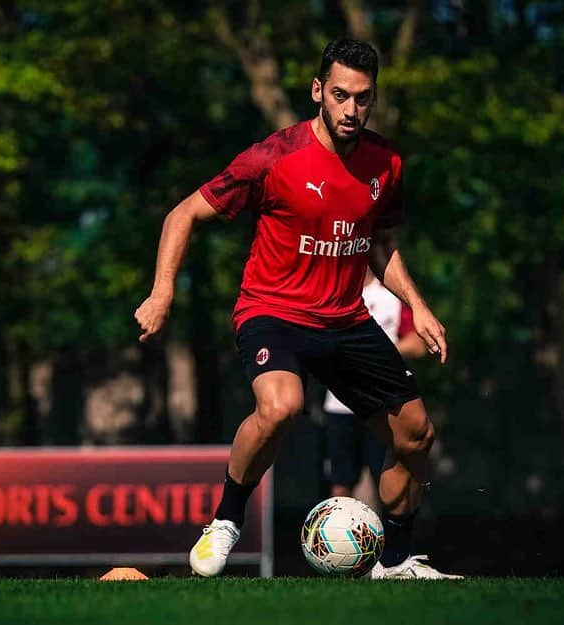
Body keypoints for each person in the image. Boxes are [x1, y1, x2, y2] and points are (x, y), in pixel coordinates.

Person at [134, 38, 460, 579]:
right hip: (274, 311)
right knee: (281, 406)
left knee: (417, 435)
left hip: (347, 320)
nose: (351, 110)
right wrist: (162, 292)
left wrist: (418, 307)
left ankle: (398, 561)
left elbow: (381, 245)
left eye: (362, 98)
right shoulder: (273, 157)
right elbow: (182, 214)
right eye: (339, 95)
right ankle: (226, 519)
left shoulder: (387, 162)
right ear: (317, 92)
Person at [322, 269, 426, 502]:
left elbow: (418, 344)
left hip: (382, 405)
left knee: (389, 482)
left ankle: (392, 537)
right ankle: (335, 538)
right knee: (340, 485)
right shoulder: (332, 292)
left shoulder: (392, 295)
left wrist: (376, 352)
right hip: (339, 406)